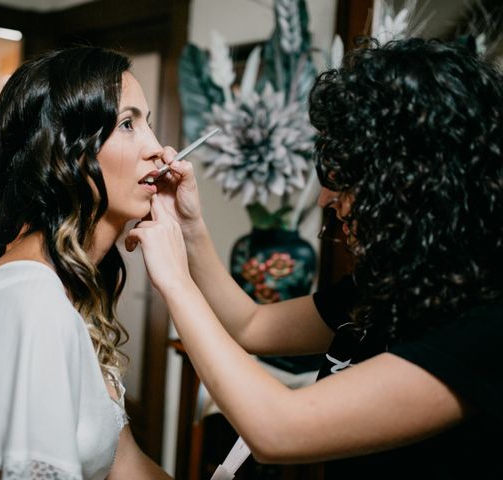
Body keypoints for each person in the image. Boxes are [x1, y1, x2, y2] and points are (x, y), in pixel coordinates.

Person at [128, 38, 503, 478]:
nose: (325, 195)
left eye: (337, 172)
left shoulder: (485, 324)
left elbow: (278, 429)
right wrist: (189, 227)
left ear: (408, 180)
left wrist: (174, 280)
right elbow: (251, 326)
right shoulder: (395, 283)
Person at [0, 45, 173, 480]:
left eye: (148, 123)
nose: (159, 150)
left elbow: (125, 465)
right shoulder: (29, 303)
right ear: (66, 155)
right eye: (128, 124)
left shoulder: (65, 292)